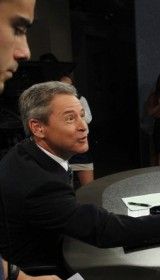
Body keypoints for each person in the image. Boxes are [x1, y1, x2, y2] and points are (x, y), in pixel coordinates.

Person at [0, 81, 160, 278]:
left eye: (82, 115)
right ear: (38, 128)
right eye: (70, 119)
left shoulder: (29, 153)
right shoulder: (37, 181)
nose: (84, 127)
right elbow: (104, 229)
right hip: (41, 270)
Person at [1, 1, 61, 279]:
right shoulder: (35, 176)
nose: (25, 52)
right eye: (17, 27)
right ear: (37, 128)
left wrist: (16, 276)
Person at [60, 74, 94, 186]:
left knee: (89, 187)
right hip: (64, 146)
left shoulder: (80, 99)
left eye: (69, 85)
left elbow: (88, 118)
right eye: (62, 85)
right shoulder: (55, 103)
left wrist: (75, 114)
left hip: (80, 145)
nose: (66, 88)